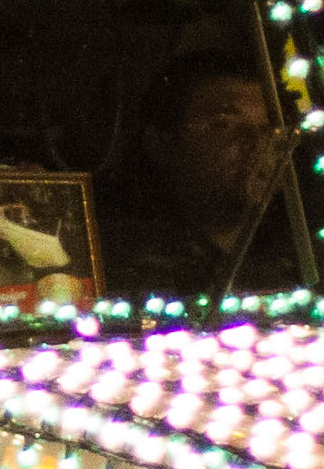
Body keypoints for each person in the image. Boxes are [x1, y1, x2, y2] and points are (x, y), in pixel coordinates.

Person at [101, 47, 301, 301]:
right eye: (224, 124)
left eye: (270, 128)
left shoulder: (304, 263)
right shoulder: (120, 272)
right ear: (161, 144)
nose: (257, 142)